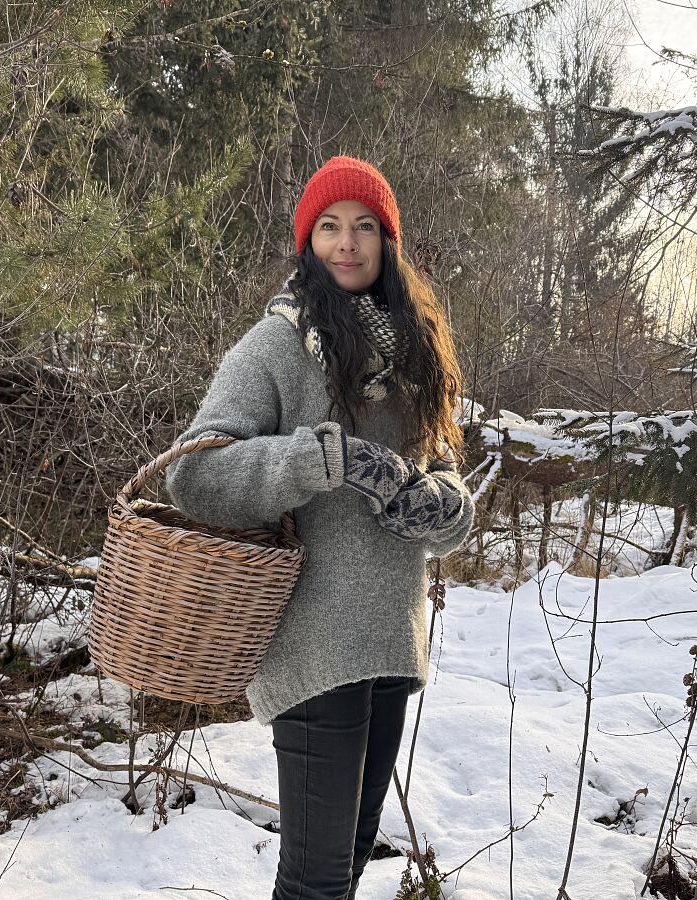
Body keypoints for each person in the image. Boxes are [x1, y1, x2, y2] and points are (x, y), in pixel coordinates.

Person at [164, 155, 475, 900]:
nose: (347, 242)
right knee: (315, 883)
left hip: (391, 646)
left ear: (387, 243)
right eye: (330, 226)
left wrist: (432, 502)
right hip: (311, 646)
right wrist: (316, 459)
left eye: (364, 227)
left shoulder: (416, 353)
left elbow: (451, 482)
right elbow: (192, 474)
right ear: (308, 242)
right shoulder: (276, 345)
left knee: (349, 864)